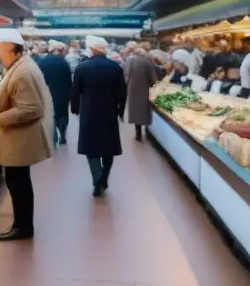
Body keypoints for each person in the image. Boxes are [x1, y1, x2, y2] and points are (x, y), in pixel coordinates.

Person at [0, 28, 53, 241]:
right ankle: (21, 224)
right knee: (18, 182)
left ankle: (23, 227)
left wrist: (0, 118)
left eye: (1, 50)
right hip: (19, 139)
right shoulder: (21, 66)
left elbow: (31, 108)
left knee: (18, 183)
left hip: (20, 140)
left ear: (14, 50)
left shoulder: (22, 72)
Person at [72, 35, 126, 197]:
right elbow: (122, 93)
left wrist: (75, 108)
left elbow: (75, 92)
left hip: (89, 112)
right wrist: (120, 111)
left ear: (92, 49)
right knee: (108, 148)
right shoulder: (115, 68)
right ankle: (104, 177)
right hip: (109, 111)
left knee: (91, 148)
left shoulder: (82, 67)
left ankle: (97, 179)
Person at [38, 40, 73, 145]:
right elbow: (69, 80)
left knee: (52, 115)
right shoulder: (65, 63)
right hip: (64, 93)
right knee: (63, 114)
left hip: (48, 92)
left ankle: (54, 137)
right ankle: (63, 133)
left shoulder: (42, 62)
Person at [124, 48, 160, 142]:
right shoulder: (147, 63)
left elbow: (126, 76)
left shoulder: (129, 60)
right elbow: (154, 80)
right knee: (145, 112)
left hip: (132, 91)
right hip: (145, 91)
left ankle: (138, 134)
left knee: (136, 113)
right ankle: (147, 132)